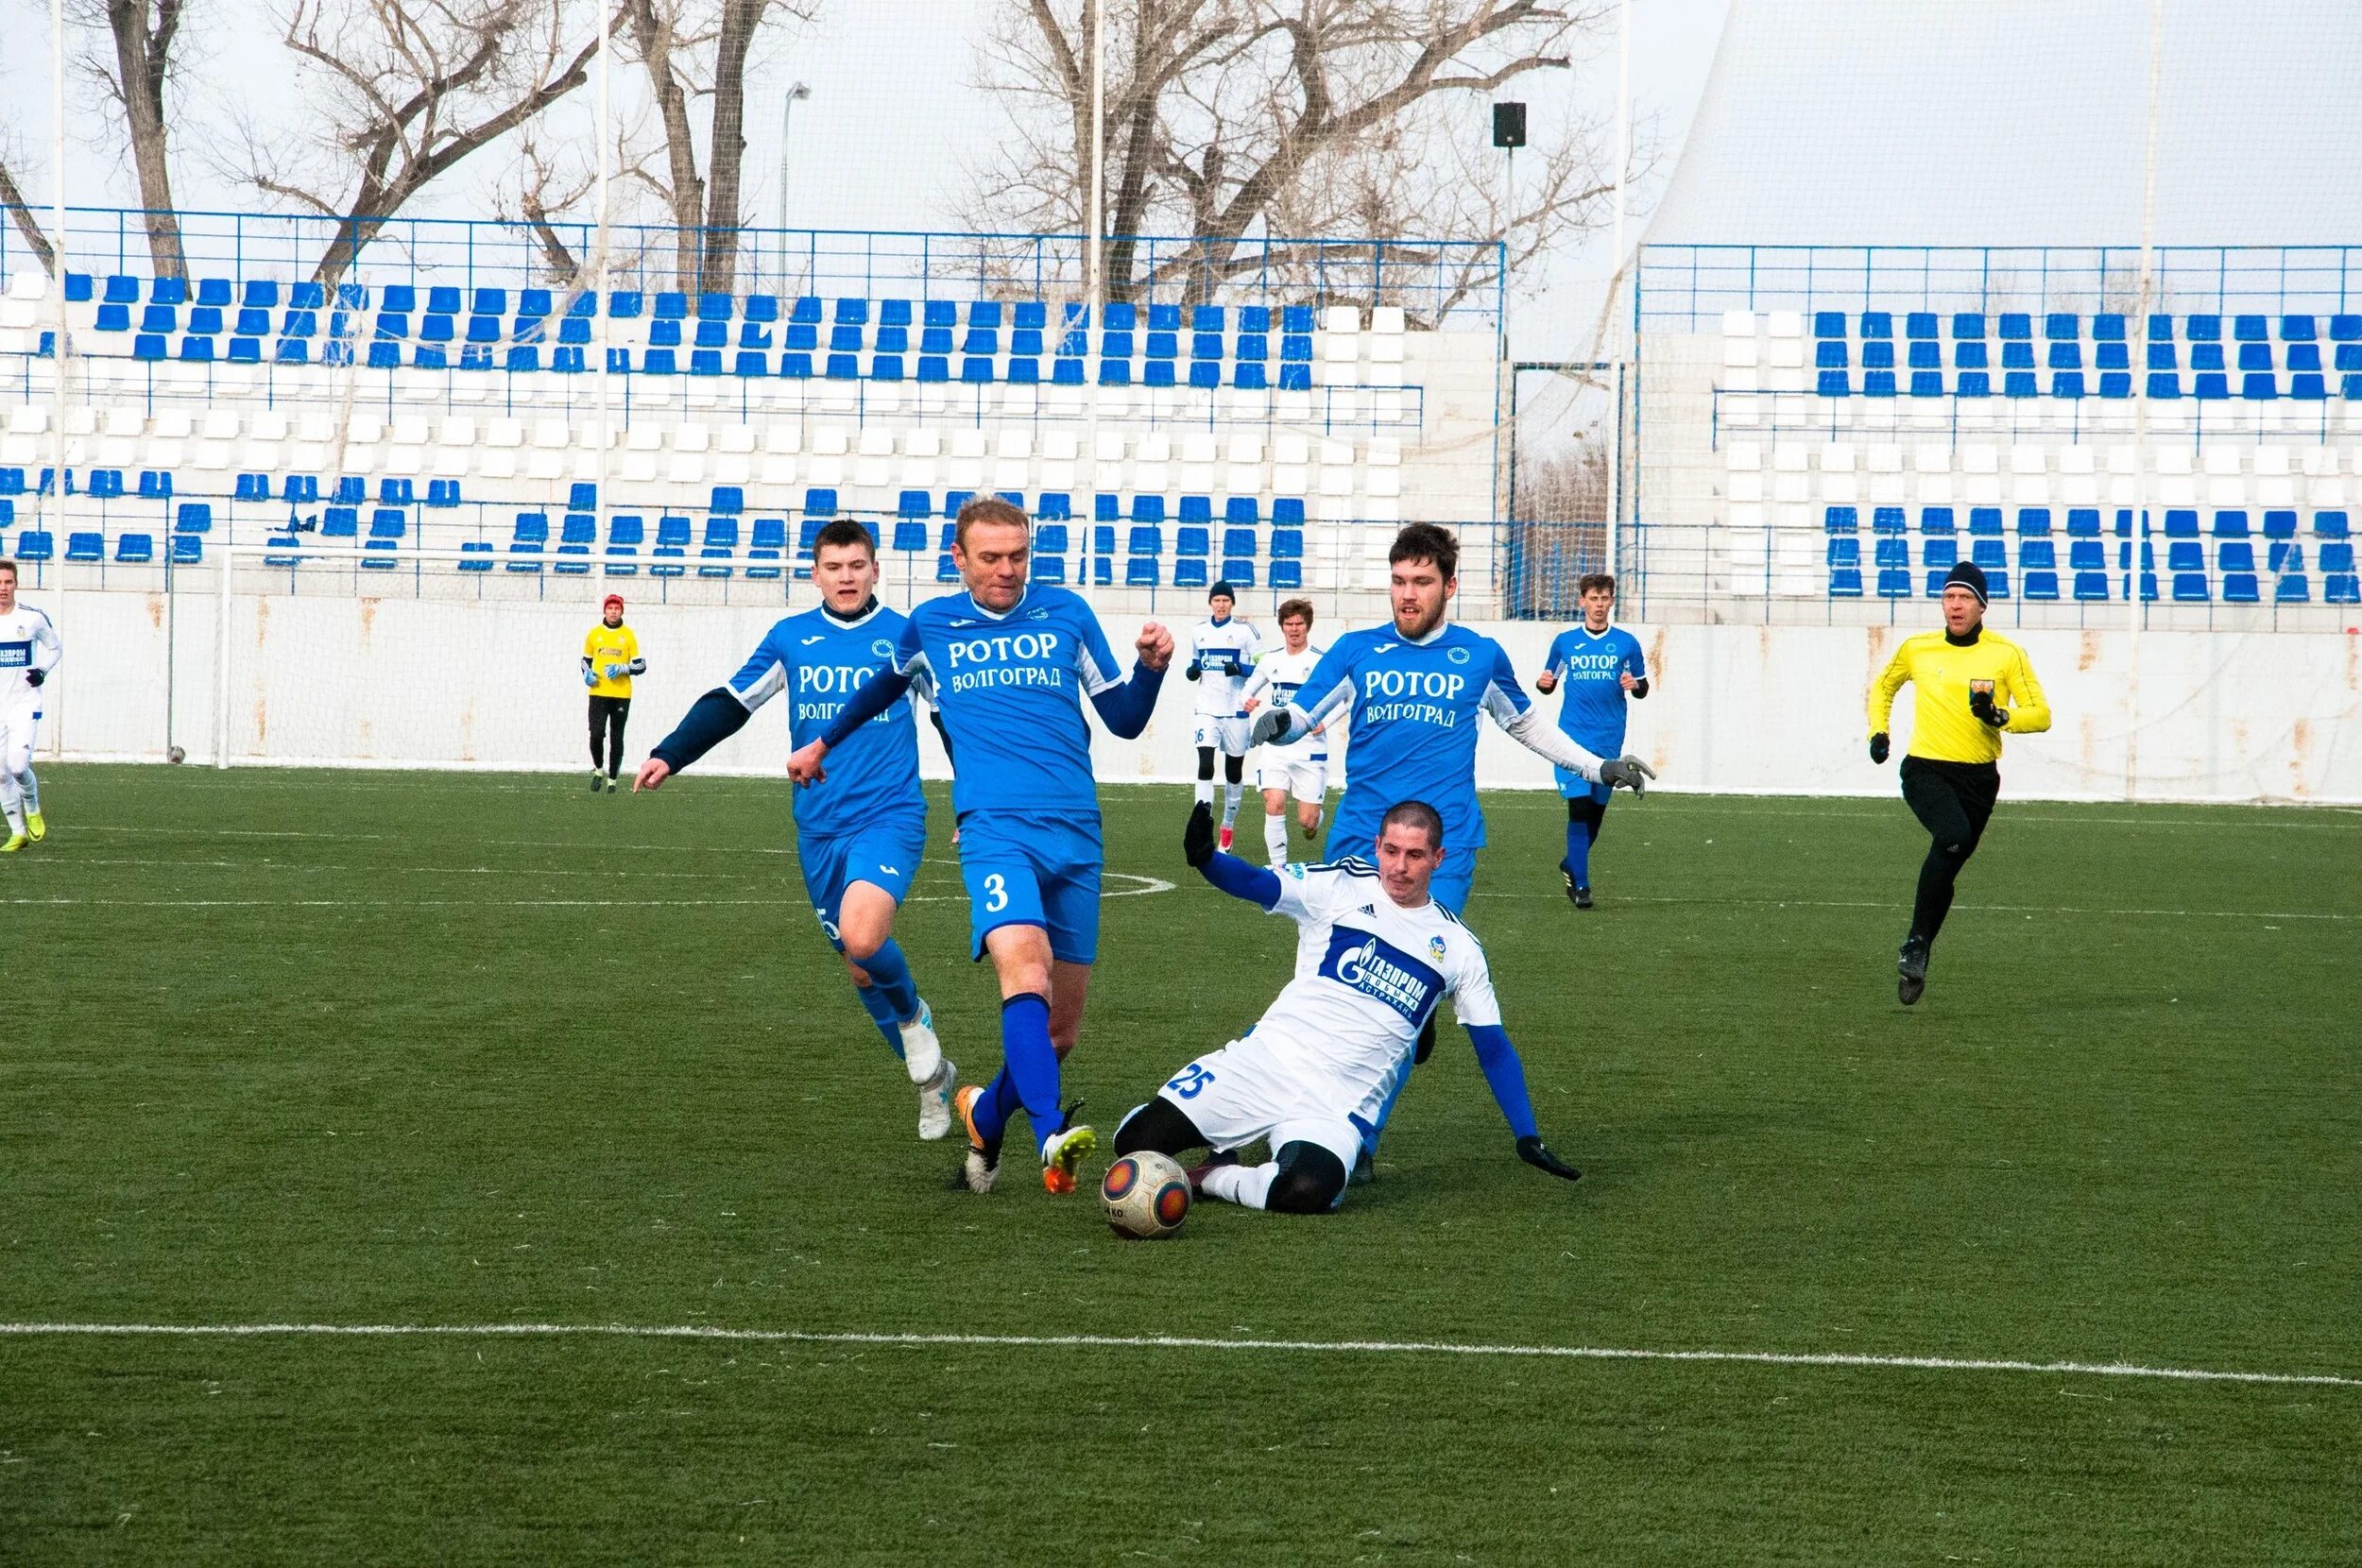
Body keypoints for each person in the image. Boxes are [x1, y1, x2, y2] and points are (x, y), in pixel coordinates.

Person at [789, 497, 1173, 1195]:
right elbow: (881, 688)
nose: (1006, 570)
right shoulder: (930, 625)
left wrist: (1151, 668)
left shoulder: (1069, 615)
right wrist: (821, 742)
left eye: (1018, 556)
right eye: (990, 557)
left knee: (1057, 1038)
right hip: (994, 828)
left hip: (1077, 832)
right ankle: (1052, 1133)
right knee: (1024, 970)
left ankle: (982, 1116)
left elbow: (1123, 720)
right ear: (958, 559)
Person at [1246, 523, 1655, 1176]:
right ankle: (1271, 1105)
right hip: (1360, 845)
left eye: (1422, 583)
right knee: (1321, 989)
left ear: (1449, 587)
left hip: (1445, 850)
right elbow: (1304, 714)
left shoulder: (1479, 655)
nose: (1407, 595)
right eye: (1399, 582)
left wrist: (1597, 766)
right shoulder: (1356, 650)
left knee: (1397, 999)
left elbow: (1526, 722)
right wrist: (1276, 723)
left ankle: (1359, 1136)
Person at [633, 519, 957, 1139]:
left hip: (889, 817)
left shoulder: (905, 638)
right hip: (818, 829)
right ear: (815, 575)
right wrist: (672, 752)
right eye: (833, 568)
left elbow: (949, 723)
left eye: (856, 566)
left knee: (865, 938)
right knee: (861, 969)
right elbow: (731, 702)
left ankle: (916, 1022)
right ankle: (933, 1080)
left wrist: (973, 800)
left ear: (875, 570)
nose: (845, 577)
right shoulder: (791, 638)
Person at [1111, 798, 1583, 1215]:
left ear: (1438, 859)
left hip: (1337, 1107)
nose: (1399, 866)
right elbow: (1259, 884)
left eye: (1415, 855)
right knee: (1135, 1146)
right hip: (1265, 1063)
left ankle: (1214, 1177)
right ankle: (1216, 1142)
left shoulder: (1460, 949)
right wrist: (1206, 860)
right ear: (1378, 845)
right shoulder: (1341, 886)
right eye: (1392, 851)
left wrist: (1526, 1134)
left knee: (1307, 1189)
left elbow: (1493, 1047)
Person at [1867, 560, 2051, 1005]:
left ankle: (1918, 948)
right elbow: (1883, 688)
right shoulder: (1918, 648)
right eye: (1949, 596)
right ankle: (1916, 944)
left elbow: (2041, 715)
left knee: (1949, 858)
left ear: (1982, 606)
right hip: (1925, 769)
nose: (1955, 605)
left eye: (1965, 597)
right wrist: (1879, 731)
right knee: (1952, 836)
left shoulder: (2007, 655)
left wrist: (2002, 717)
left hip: (1979, 779)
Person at [1533, 572, 1651, 910]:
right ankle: (1581, 887)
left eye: (1605, 599)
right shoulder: (1565, 643)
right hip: (1571, 738)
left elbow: (1642, 688)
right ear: (1581, 601)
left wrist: (1635, 685)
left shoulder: (1626, 643)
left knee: (1595, 818)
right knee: (1580, 809)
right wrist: (1544, 683)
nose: (1599, 605)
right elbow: (1548, 682)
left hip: (1608, 740)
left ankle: (1572, 863)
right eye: (1593, 599)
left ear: (1612, 601)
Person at [1239, 596, 1331, 867]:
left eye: (1299, 624)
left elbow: (1344, 699)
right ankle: (1278, 869)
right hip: (1276, 747)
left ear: (1308, 626)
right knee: (1273, 802)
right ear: (1282, 627)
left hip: (1309, 749)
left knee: (1307, 821)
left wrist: (1326, 720)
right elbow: (1247, 689)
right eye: (1289, 623)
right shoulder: (1271, 660)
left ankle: (1315, 820)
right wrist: (1246, 700)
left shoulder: (1321, 661)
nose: (1294, 629)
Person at [1185, 580, 1261, 851]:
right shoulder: (1199, 631)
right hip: (1206, 708)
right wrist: (1192, 671)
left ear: (1232, 604)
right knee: (1205, 765)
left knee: (1234, 771)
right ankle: (1201, 823)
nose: (1220, 605)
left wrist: (1240, 668)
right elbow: (1196, 663)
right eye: (1216, 600)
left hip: (1236, 710)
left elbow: (1262, 666)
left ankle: (1227, 825)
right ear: (1210, 603)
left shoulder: (1245, 631)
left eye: (1225, 600)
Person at [0, 558, 62, 854]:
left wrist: (42, 671)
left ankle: (33, 806)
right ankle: (18, 832)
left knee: (17, 765)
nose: (3, 588)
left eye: (8, 582)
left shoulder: (32, 618)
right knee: (0, 774)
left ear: (16, 584)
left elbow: (55, 648)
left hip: (24, 703)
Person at [583, 594, 644, 793]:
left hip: (621, 694)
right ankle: (599, 770)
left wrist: (623, 668)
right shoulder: (594, 634)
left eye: (617, 608)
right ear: (604, 610)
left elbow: (641, 665)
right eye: (610, 608)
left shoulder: (628, 635)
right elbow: (585, 660)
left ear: (621, 611)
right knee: (596, 733)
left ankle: (613, 780)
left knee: (617, 737)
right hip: (598, 692)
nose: (613, 611)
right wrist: (587, 675)